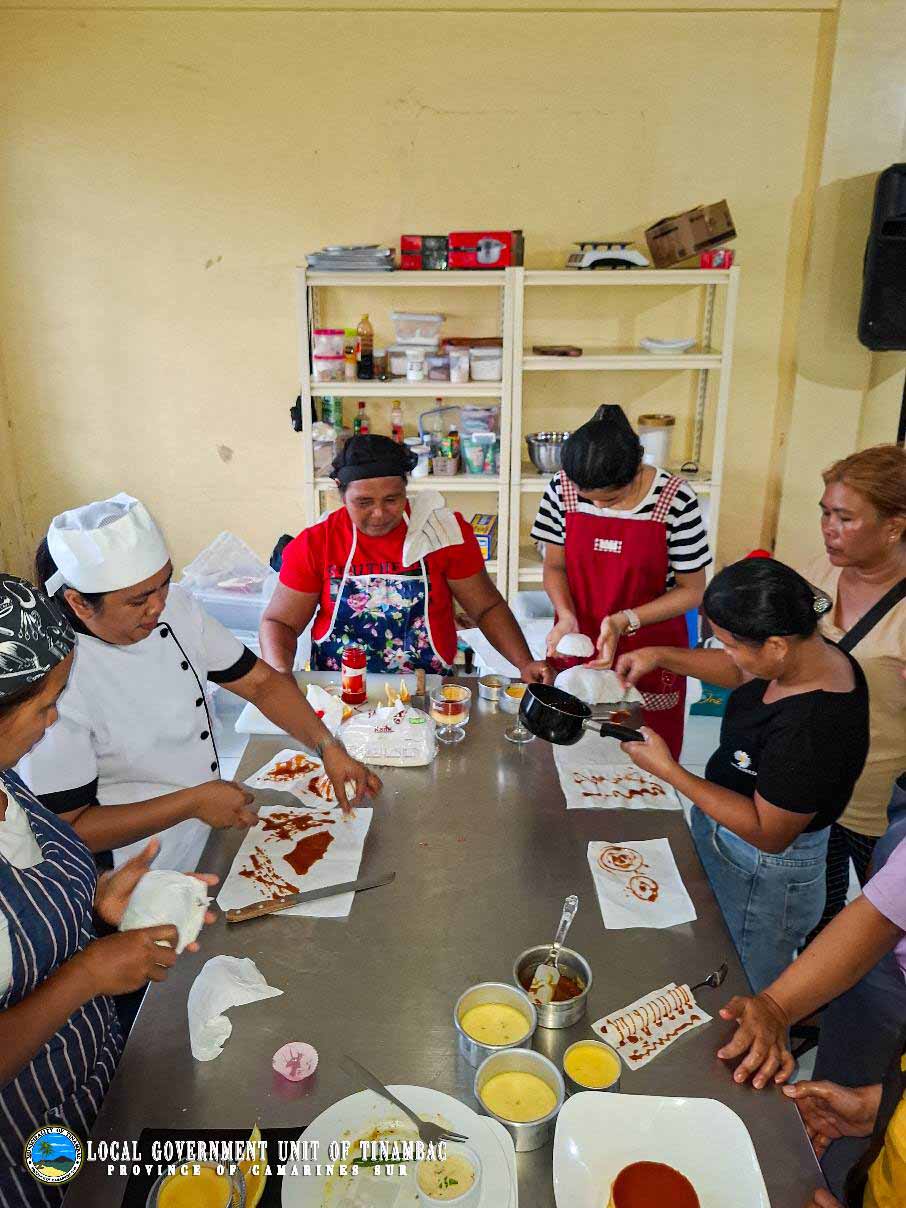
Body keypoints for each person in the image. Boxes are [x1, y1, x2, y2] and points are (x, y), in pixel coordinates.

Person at [20, 493, 381, 873]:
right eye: (138, 601)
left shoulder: (177, 608)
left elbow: (261, 684)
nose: (158, 606)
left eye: (164, 583)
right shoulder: (56, 685)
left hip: (204, 829)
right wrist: (192, 803)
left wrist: (327, 746)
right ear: (79, 603)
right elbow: (67, 828)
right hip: (130, 871)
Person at [0, 576, 211, 1206]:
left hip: (96, 1080)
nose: (53, 721)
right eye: (44, 707)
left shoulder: (7, 781)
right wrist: (89, 972)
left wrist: (100, 899)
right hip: (29, 1144)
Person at [616, 558, 870, 991]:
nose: (727, 654)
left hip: (765, 871)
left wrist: (669, 771)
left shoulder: (811, 728)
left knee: (746, 982)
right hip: (733, 841)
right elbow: (741, 671)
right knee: (714, 946)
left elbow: (768, 832)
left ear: (776, 645)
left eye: (730, 644)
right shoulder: (806, 654)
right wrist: (660, 655)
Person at [260, 435, 552, 681]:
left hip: (426, 687)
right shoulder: (317, 543)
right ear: (340, 492)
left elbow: (486, 608)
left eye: (392, 499)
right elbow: (280, 622)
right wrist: (279, 673)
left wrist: (524, 663)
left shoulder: (442, 533)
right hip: (339, 689)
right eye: (363, 502)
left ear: (405, 490)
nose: (379, 513)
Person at [532, 405, 709, 759]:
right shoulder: (562, 488)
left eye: (610, 498)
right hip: (580, 642)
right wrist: (565, 615)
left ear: (636, 469)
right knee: (571, 749)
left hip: (650, 648)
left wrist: (624, 620)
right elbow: (554, 566)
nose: (598, 506)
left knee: (645, 754)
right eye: (588, 498)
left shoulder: (675, 499)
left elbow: (692, 590)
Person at [799, 444, 906, 932]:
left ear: (894, 526)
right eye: (825, 513)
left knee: (883, 927)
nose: (828, 528)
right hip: (815, 787)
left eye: (844, 518)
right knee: (816, 915)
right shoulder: (819, 574)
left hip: (877, 804)